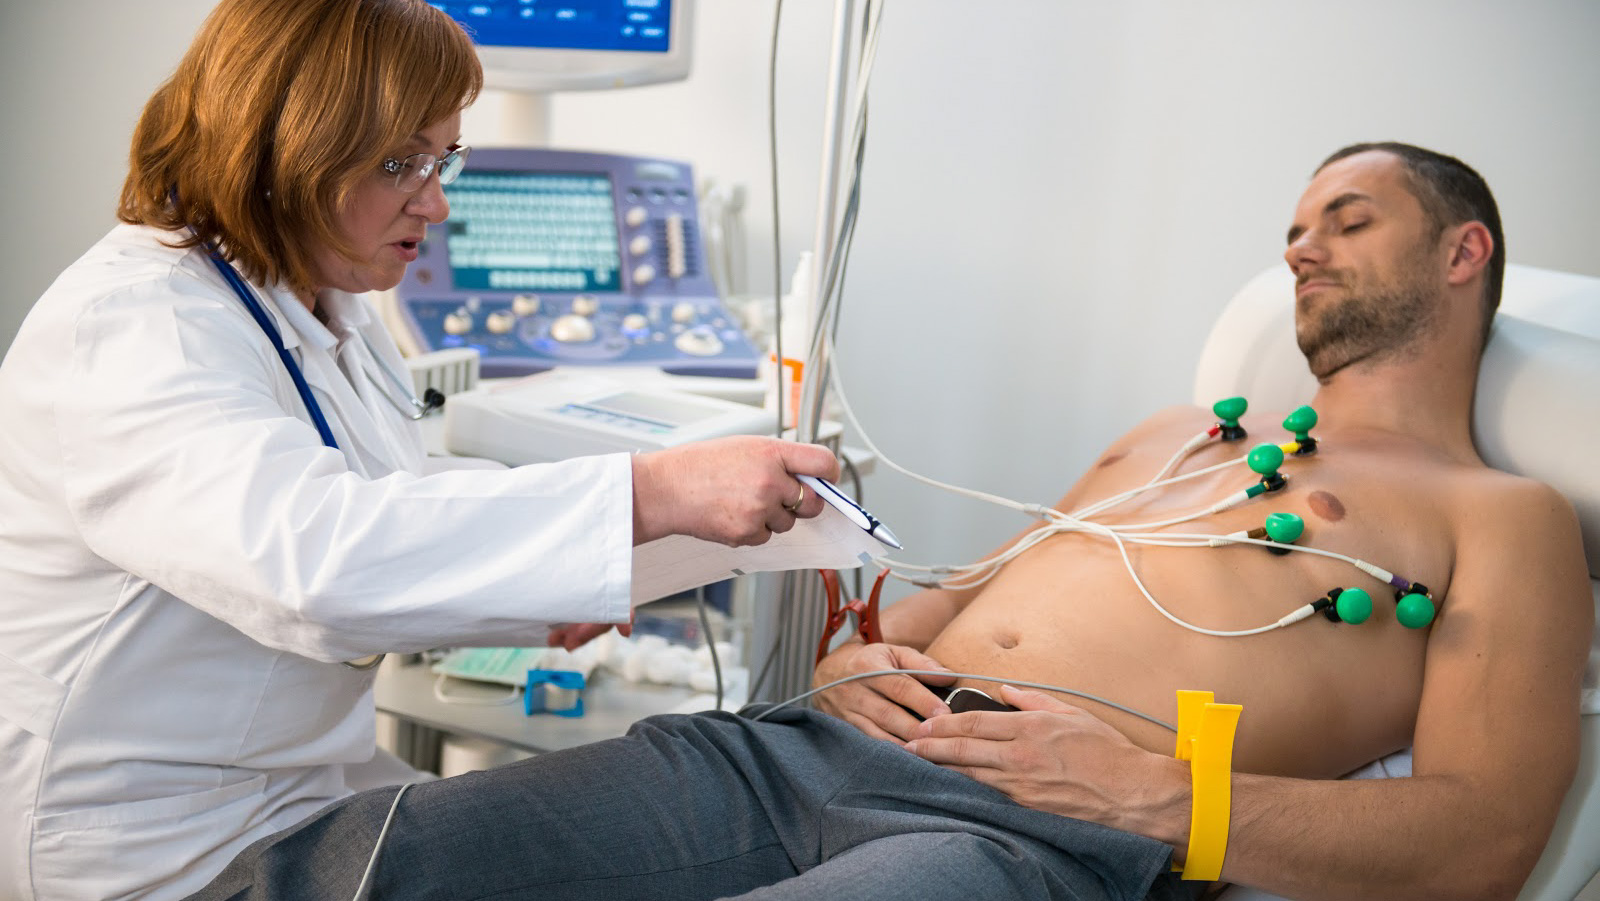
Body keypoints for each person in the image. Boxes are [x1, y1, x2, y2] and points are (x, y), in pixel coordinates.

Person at [171, 141, 1593, 901]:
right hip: (815, 743)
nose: (1299, 244)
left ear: (1463, 252)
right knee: (393, 862)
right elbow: (1001, 575)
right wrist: (878, 643)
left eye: (1347, 217)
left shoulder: (1506, 516)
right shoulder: (1182, 436)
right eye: (1293, 224)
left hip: (1037, 840)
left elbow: (1480, 845)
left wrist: (1166, 803)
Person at [0, 1, 839, 899]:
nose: (435, 202)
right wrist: (647, 493)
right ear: (282, 146)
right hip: (157, 849)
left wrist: (569, 574)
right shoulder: (133, 327)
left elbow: (397, 486)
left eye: (443, 159)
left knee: (706, 782)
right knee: (717, 792)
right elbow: (317, 557)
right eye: (400, 164)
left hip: (296, 796)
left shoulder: (326, 302)